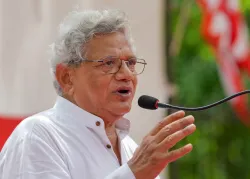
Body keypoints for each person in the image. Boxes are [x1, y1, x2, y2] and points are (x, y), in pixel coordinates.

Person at [0, 10, 196, 179]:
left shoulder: (132, 149)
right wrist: (133, 173)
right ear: (67, 77)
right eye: (109, 63)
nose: (127, 75)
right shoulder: (38, 136)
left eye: (131, 63)